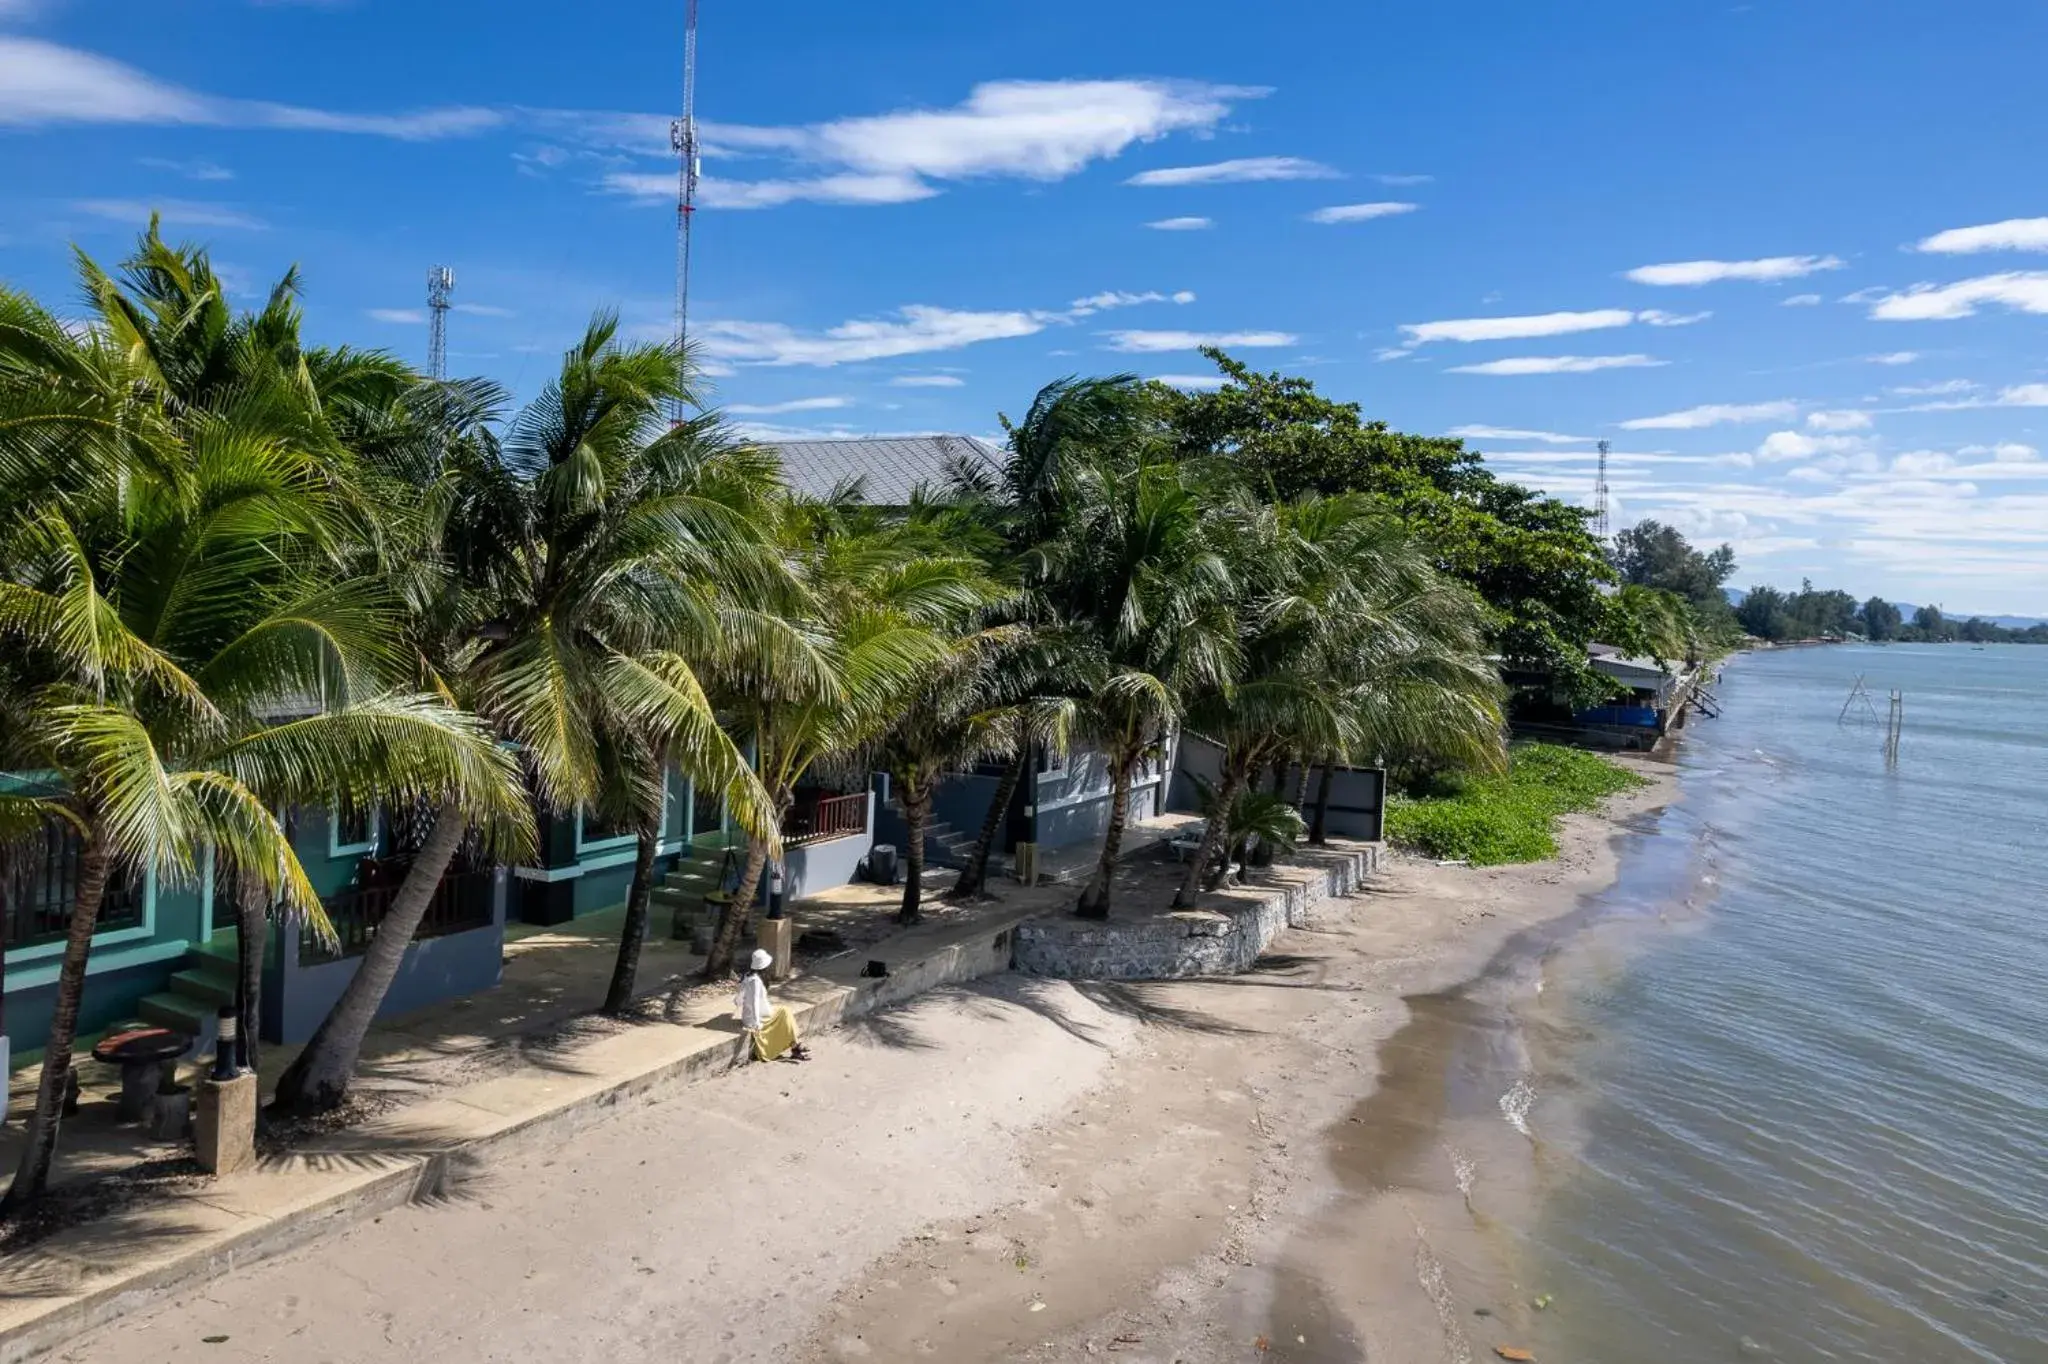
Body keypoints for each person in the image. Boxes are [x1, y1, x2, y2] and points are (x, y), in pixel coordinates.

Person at [737, 948, 808, 1062]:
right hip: (756, 1018)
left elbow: (738, 1000)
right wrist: (756, 1023)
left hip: (749, 1016)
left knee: (785, 1011)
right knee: (785, 1012)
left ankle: (796, 1046)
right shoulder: (756, 981)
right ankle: (796, 1046)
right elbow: (755, 1002)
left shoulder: (746, 977)